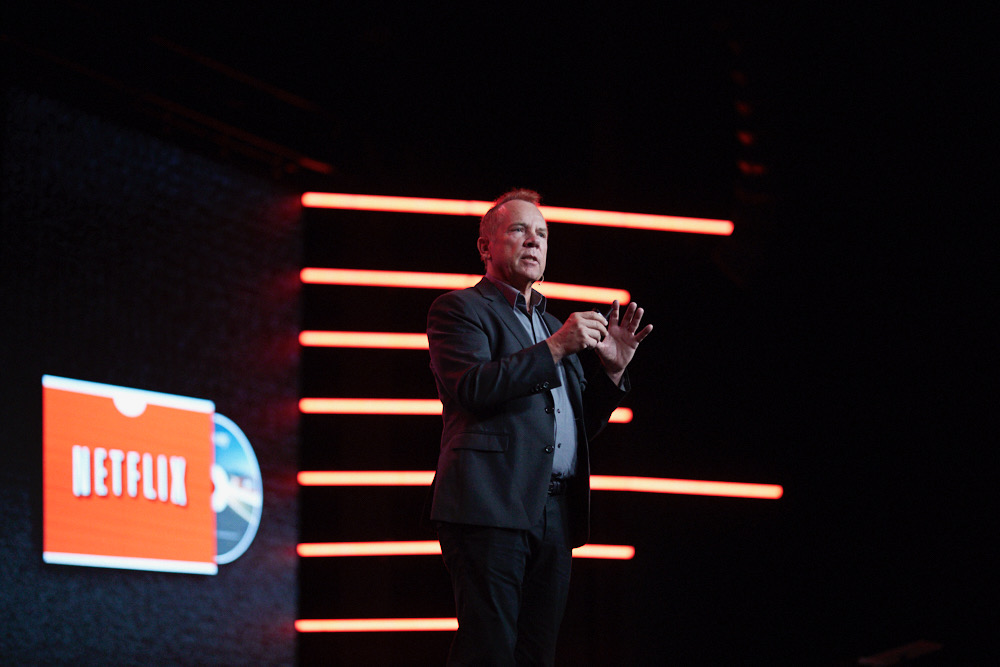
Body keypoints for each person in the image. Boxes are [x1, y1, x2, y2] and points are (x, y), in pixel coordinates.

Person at [426, 189, 652, 665]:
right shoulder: (460, 309)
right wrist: (556, 348)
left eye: (542, 234)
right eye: (519, 230)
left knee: (538, 654)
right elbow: (471, 387)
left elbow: (574, 428)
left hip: (554, 511)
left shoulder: (552, 324)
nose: (533, 241)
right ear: (486, 246)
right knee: (488, 651)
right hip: (489, 503)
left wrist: (612, 372)